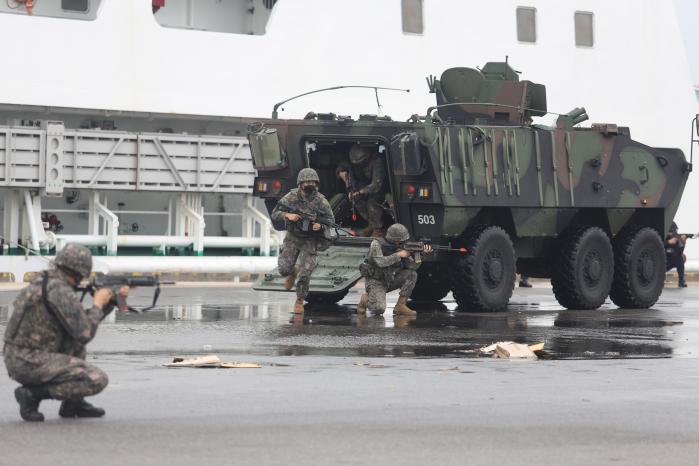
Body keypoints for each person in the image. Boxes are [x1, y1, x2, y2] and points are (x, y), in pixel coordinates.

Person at [3, 243, 128, 422]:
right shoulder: (59, 290)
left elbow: (78, 327)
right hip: (28, 361)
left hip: (19, 357)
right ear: (79, 271)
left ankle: (73, 403)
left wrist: (108, 303)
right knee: (96, 379)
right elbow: (85, 333)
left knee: (75, 344)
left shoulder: (46, 282)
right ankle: (32, 395)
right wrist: (98, 304)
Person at [272, 168, 335, 314]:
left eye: (312, 182)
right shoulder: (291, 197)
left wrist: (321, 226)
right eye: (306, 182)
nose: (309, 184)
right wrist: (288, 215)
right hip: (293, 237)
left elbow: (331, 221)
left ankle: (299, 300)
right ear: (300, 183)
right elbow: (275, 213)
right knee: (283, 269)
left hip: (310, 240)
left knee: (306, 273)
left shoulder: (321, 200)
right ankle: (292, 272)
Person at [357, 223, 432, 316]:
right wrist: (398, 255)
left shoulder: (401, 248)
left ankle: (400, 305)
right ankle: (365, 299)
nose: (403, 243)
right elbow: (380, 262)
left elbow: (412, 267)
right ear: (394, 239)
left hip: (390, 279)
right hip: (376, 281)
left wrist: (421, 255)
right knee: (378, 309)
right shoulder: (376, 244)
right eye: (400, 241)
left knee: (412, 274)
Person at [337, 145, 386, 237]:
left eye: (361, 162)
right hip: (362, 185)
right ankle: (371, 224)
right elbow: (343, 165)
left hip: (379, 188)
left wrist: (360, 192)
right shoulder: (352, 161)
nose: (359, 165)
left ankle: (378, 229)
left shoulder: (377, 161)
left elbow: (376, 184)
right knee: (356, 200)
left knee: (372, 204)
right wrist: (341, 172)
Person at [666, 222, 688, 288]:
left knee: (681, 258)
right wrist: (668, 243)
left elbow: (679, 252)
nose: (675, 232)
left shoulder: (675, 239)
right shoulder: (660, 237)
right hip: (659, 264)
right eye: (673, 231)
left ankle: (681, 281)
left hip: (668, 262)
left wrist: (683, 243)